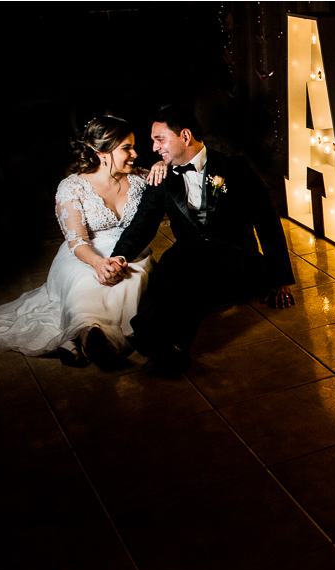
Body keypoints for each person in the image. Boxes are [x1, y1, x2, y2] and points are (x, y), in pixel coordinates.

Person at [0, 116, 158, 366]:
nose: (136, 154)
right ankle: (89, 335)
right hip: (85, 252)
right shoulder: (72, 187)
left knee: (129, 280)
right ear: (103, 152)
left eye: (133, 146)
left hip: (131, 250)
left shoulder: (142, 179)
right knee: (85, 282)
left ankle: (76, 341)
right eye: (127, 148)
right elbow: (77, 240)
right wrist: (98, 264)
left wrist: (165, 167)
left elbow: (173, 192)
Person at [109, 104, 295, 374]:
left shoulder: (236, 169)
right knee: (167, 274)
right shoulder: (161, 177)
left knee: (193, 279)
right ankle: (159, 337)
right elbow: (142, 225)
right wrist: (120, 255)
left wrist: (279, 278)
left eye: (159, 139)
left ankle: (168, 341)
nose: (153, 147)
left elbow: (267, 222)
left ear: (185, 136)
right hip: (188, 253)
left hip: (233, 257)